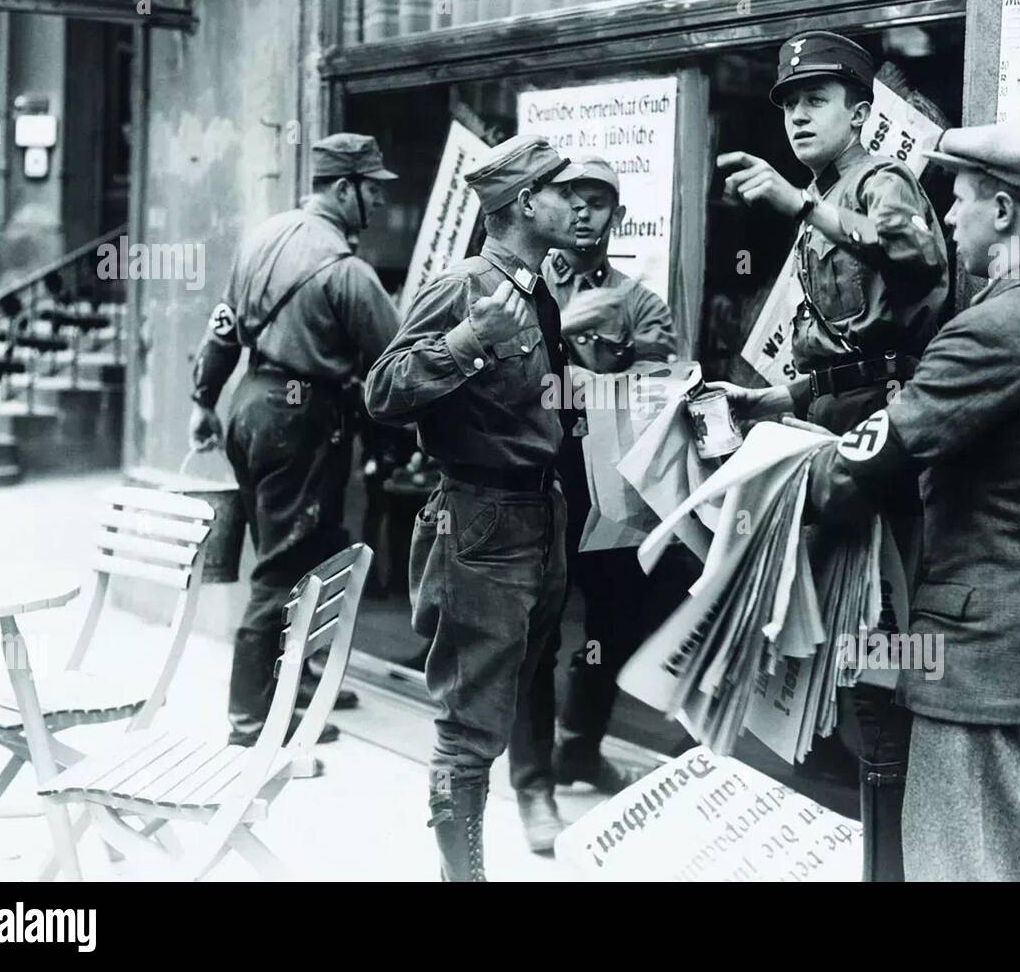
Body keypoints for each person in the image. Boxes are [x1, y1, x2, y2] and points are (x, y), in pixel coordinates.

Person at [803, 119, 1020, 880]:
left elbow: (867, 463)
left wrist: (764, 474)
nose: (946, 219)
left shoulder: (989, 331)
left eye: (960, 200)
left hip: (990, 687)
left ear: (1005, 212)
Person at [709, 30, 949, 880]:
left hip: (895, 453)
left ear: (859, 110)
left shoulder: (877, 185)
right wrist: (767, 401)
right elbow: (842, 356)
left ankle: (894, 862)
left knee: (879, 664)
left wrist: (793, 203)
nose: (798, 116)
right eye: (789, 104)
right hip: (842, 432)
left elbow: (915, 257)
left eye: (816, 100)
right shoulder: (828, 195)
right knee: (843, 655)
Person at [364, 135, 586, 881]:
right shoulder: (464, 287)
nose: (578, 206)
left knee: (512, 686)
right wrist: (467, 341)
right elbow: (383, 389)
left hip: (537, 515)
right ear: (526, 202)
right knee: (466, 728)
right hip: (480, 520)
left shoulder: (534, 285)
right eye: (564, 192)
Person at [189, 132, 400, 747]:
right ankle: (251, 721)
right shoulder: (347, 272)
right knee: (284, 568)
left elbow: (224, 326)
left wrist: (204, 401)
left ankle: (298, 679)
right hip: (302, 420)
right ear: (343, 188)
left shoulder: (261, 238)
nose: (380, 204)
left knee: (321, 550)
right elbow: (398, 359)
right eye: (372, 191)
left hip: (250, 407)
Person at [506, 157, 690, 851]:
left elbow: (661, 377)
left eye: (599, 203)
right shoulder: (523, 287)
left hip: (612, 479)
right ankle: (532, 786)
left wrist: (592, 378)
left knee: (613, 620)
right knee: (538, 628)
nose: (584, 215)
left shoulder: (636, 297)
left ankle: (579, 746)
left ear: (616, 214)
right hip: (540, 474)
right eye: (573, 201)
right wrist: (564, 366)